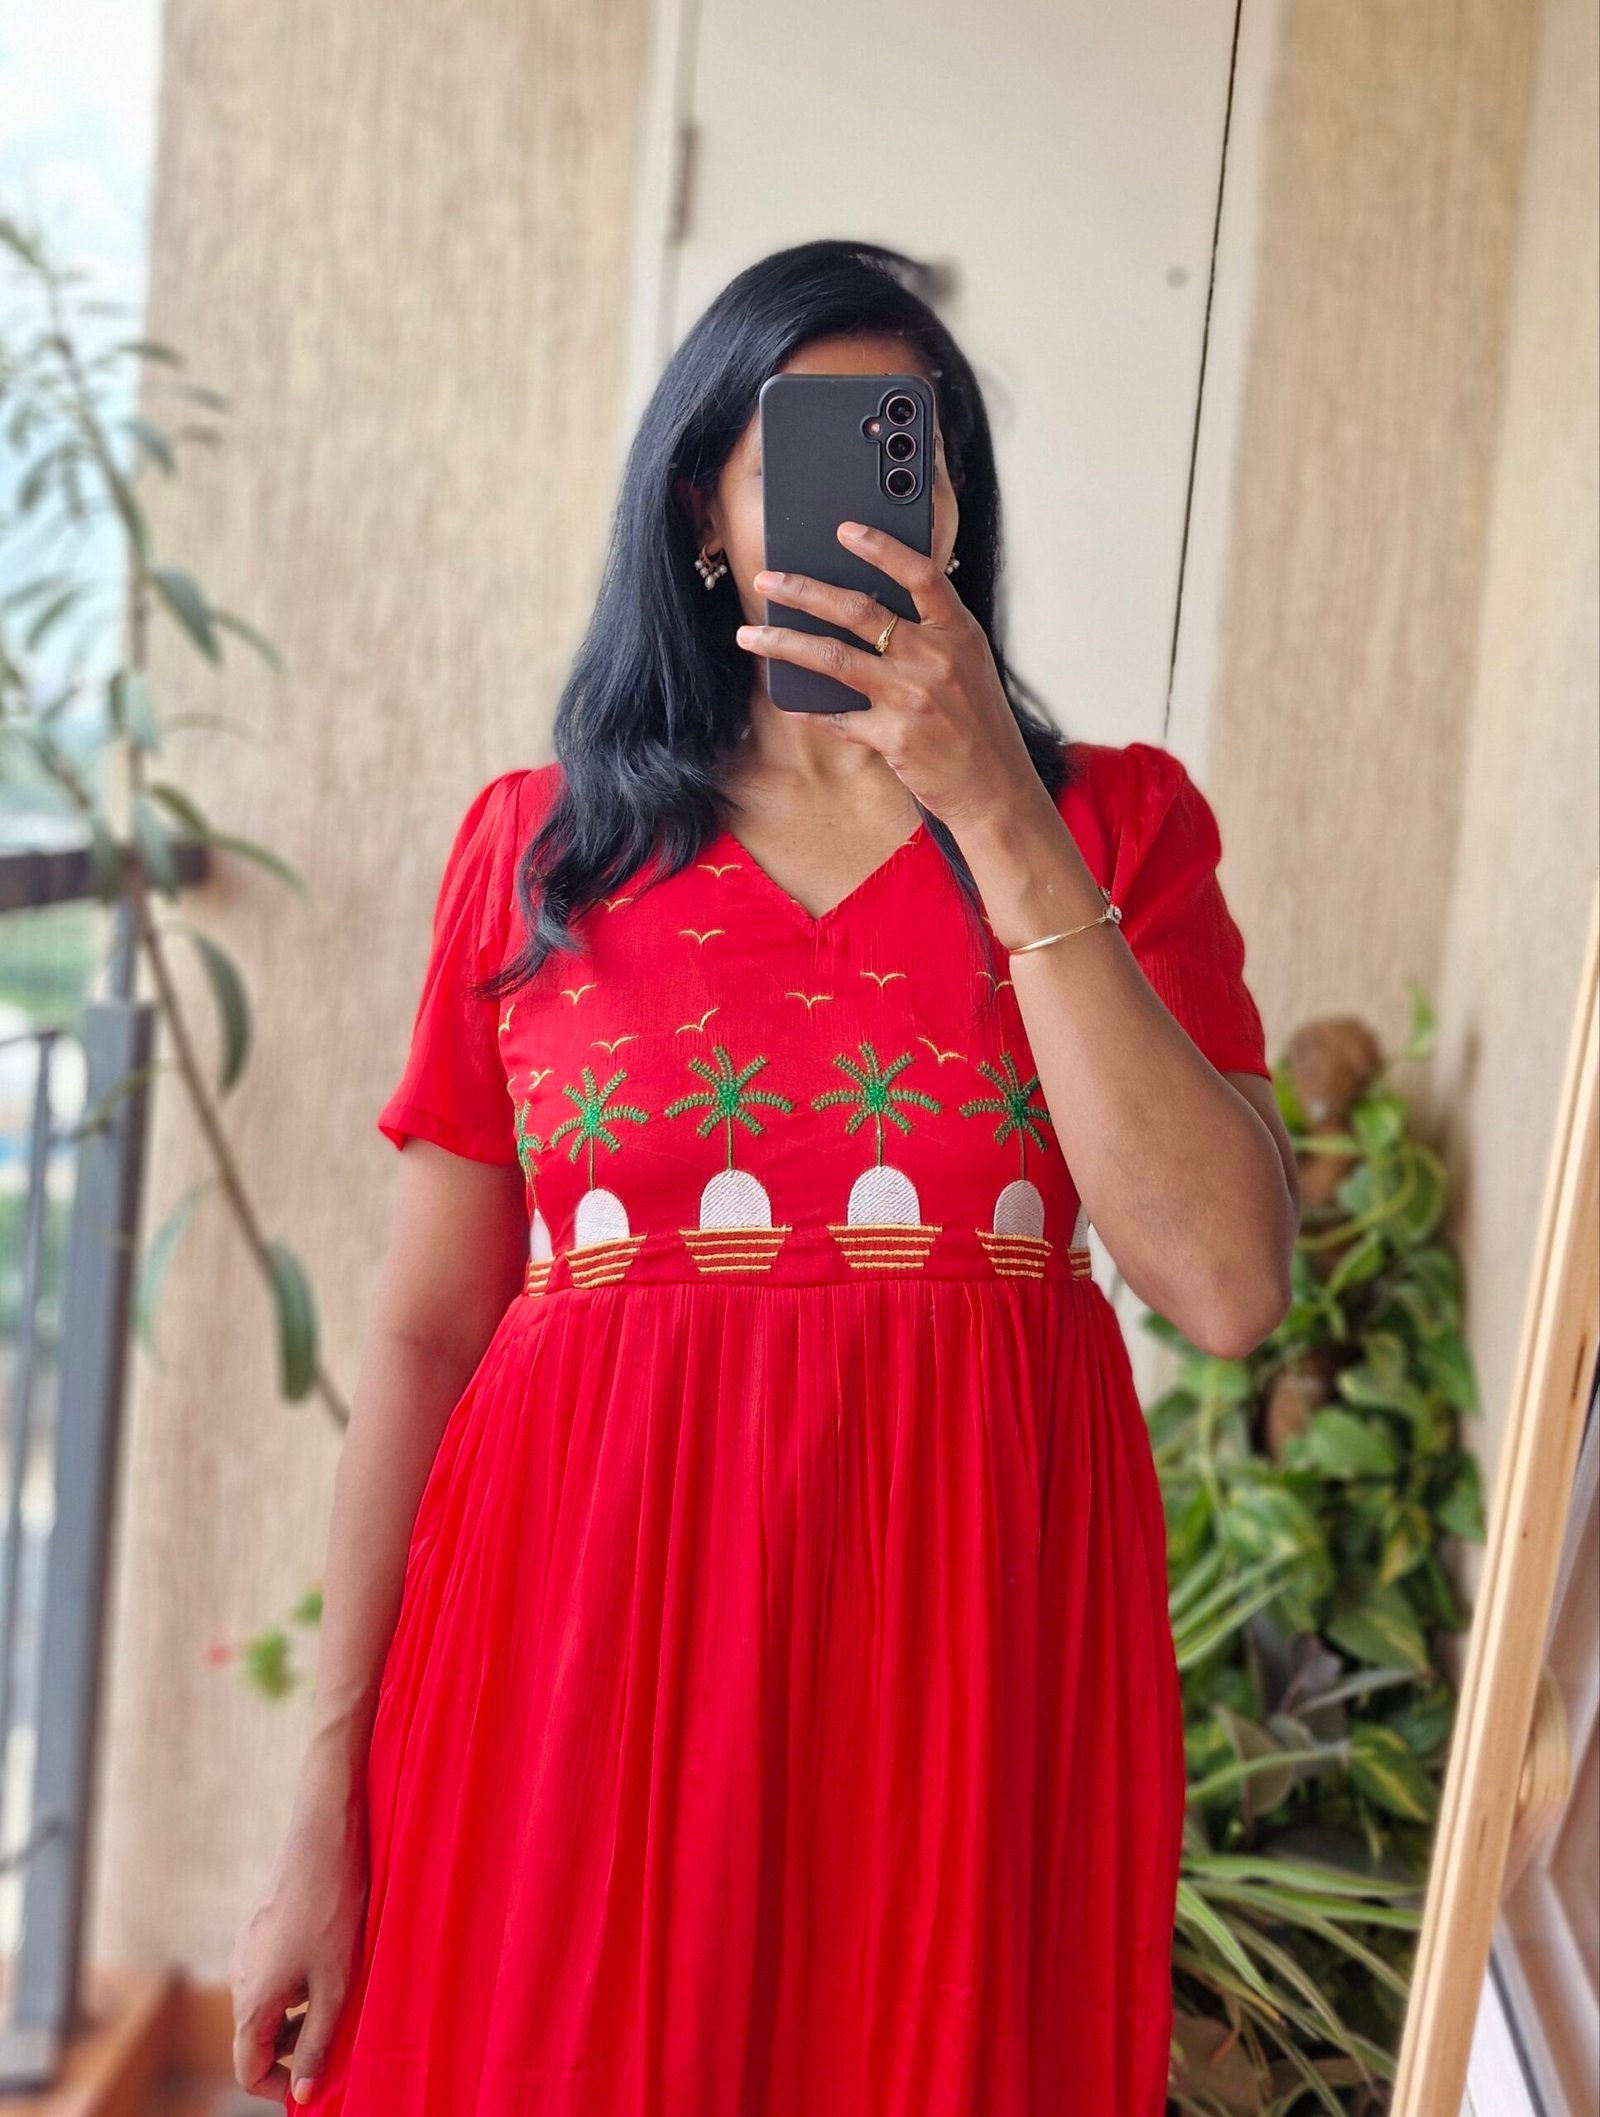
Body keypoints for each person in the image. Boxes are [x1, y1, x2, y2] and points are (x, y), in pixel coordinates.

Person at [229, 238, 1298, 2117]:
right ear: (704, 515)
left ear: (956, 504)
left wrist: (998, 812)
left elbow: (1226, 1285)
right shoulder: (538, 854)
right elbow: (421, 1337)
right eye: (806, 446)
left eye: (914, 444)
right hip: (568, 1677)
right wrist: (321, 1801)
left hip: (960, 1691)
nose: (875, 494)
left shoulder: (1117, 829)